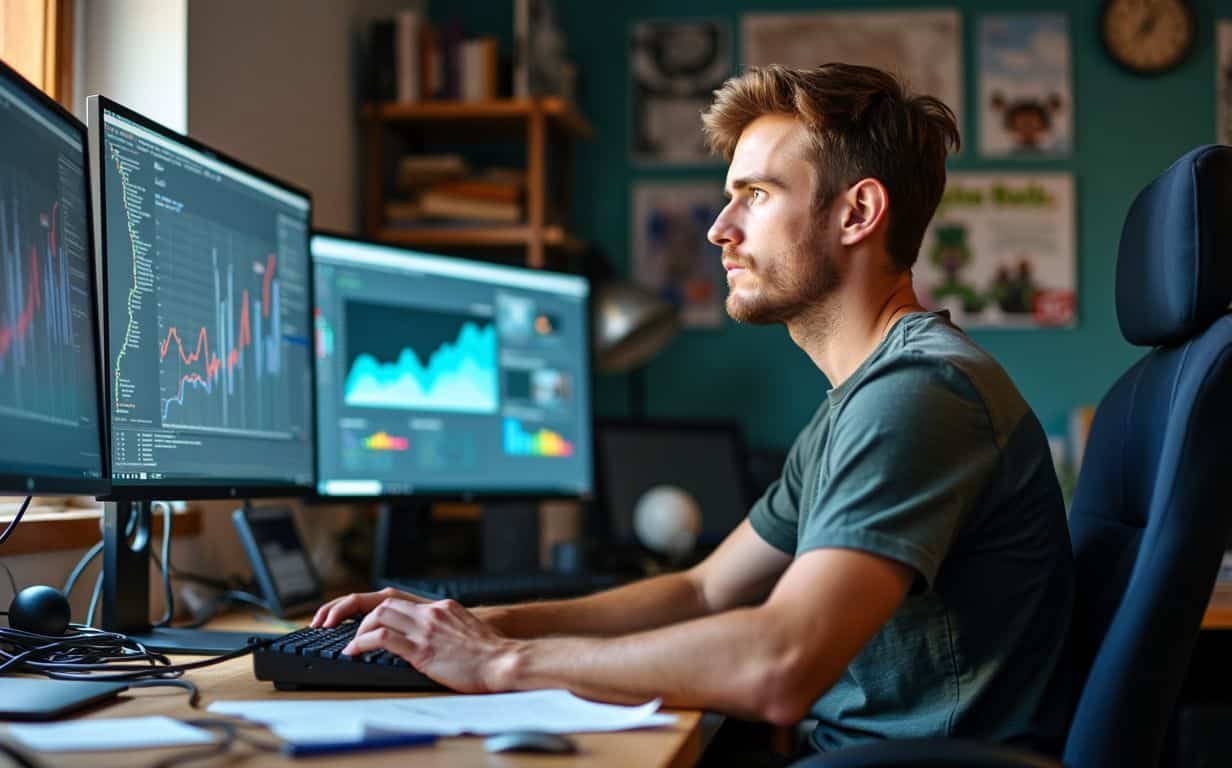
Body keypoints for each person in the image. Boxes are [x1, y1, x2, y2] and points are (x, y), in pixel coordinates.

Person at [312, 63, 1075, 755]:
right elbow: (701, 589)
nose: (719, 230)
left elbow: (780, 664)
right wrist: (462, 624)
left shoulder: (918, 396)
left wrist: (501, 664)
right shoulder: (864, 399)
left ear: (857, 214)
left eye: (757, 195)